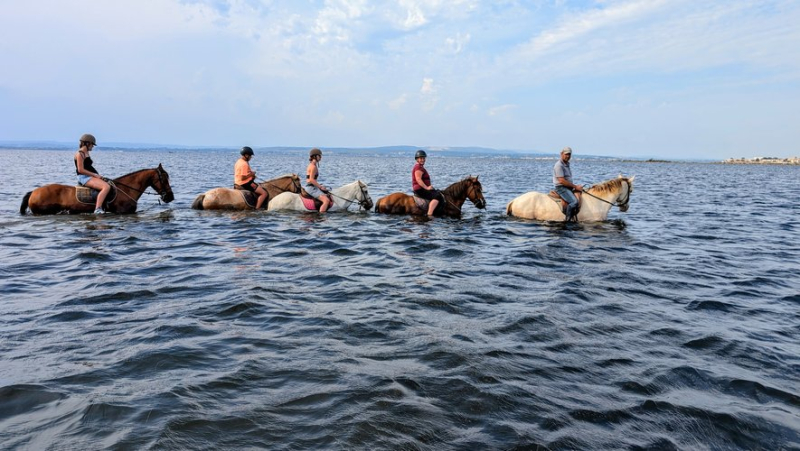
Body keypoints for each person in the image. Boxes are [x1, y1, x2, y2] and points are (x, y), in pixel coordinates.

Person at [74, 133, 111, 214]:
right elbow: (80, 170)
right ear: (87, 143)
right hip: (84, 177)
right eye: (92, 144)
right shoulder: (80, 154)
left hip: (88, 176)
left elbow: (88, 167)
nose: (93, 146)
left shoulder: (86, 152)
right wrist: (95, 175)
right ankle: (97, 209)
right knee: (106, 187)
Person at [553, 146, 582, 221]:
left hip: (567, 187)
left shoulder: (566, 164)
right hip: (561, 188)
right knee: (574, 202)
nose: (568, 156)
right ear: (561, 154)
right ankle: (567, 221)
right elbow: (561, 181)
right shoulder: (559, 165)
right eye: (566, 154)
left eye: (569, 154)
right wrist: (575, 187)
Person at [412, 150, 444, 217]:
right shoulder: (418, 167)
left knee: (438, 192)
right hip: (420, 189)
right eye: (421, 158)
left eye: (423, 158)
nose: (422, 160)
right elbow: (418, 179)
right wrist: (427, 187)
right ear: (417, 159)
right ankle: (430, 214)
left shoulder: (420, 167)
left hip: (421, 188)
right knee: (437, 196)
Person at [305, 148, 331, 213]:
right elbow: (311, 179)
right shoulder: (313, 167)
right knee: (326, 201)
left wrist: (320, 186)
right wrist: (320, 187)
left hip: (312, 186)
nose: (321, 157)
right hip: (311, 188)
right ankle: (321, 216)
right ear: (315, 156)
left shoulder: (312, 165)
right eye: (319, 156)